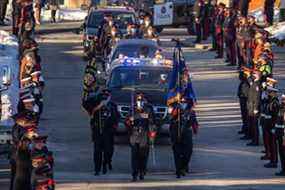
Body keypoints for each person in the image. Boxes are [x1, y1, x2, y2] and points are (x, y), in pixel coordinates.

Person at [87, 89, 119, 175]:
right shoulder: (96, 105)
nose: (105, 97)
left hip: (108, 133)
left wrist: (114, 127)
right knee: (97, 152)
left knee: (108, 151)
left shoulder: (112, 106)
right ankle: (97, 169)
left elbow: (116, 118)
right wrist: (99, 105)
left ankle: (105, 163)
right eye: (103, 95)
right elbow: (90, 111)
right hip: (98, 132)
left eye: (107, 95)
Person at [125, 93, 156, 181]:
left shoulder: (148, 109)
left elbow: (151, 121)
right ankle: (134, 174)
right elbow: (126, 120)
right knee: (134, 156)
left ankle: (142, 171)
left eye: (141, 100)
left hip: (144, 134)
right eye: (138, 100)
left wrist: (152, 135)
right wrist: (129, 122)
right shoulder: (132, 109)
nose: (140, 102)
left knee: (143, 155)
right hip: (134, 134)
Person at [264, 85, 279, 168]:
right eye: (268, 92)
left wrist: (273, 127)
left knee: (273, 145)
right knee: (270, 143)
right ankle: (271, 160)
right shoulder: (270, 101)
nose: (268, 94)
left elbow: (275, 116)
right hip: (268, 125)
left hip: (272, 126)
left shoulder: (275, 103)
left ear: (274, 93)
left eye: (269, 92)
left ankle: (274, 162)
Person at [246, 71, 261, 146]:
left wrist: (255, 108)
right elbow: (250, 82)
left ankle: (255, 141)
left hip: (254, 107)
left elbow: (257, 98)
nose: (253, 75)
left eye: (254, 74)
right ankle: (253, 139)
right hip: (251, 106)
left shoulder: (258, 84)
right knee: (252, 124)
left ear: (258, 75)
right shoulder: (254, 82)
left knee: (255, 125)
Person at [238, 68, 250, 138]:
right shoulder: (243, 82)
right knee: (244, 116)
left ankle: (247, 131)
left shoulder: (247, 82)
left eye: (241, 75)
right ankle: (244, 128)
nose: (239, 76)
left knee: (246, 116)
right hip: (242, 100)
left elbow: (247, 93)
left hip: (245, 101)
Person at [275, 94, 285, 176]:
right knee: (281, 153)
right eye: (282, 100)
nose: (282, 101)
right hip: (279, 134)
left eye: (284, 100)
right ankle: (283, 169)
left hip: (283, 136)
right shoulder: (281, 109)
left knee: (283, 153)